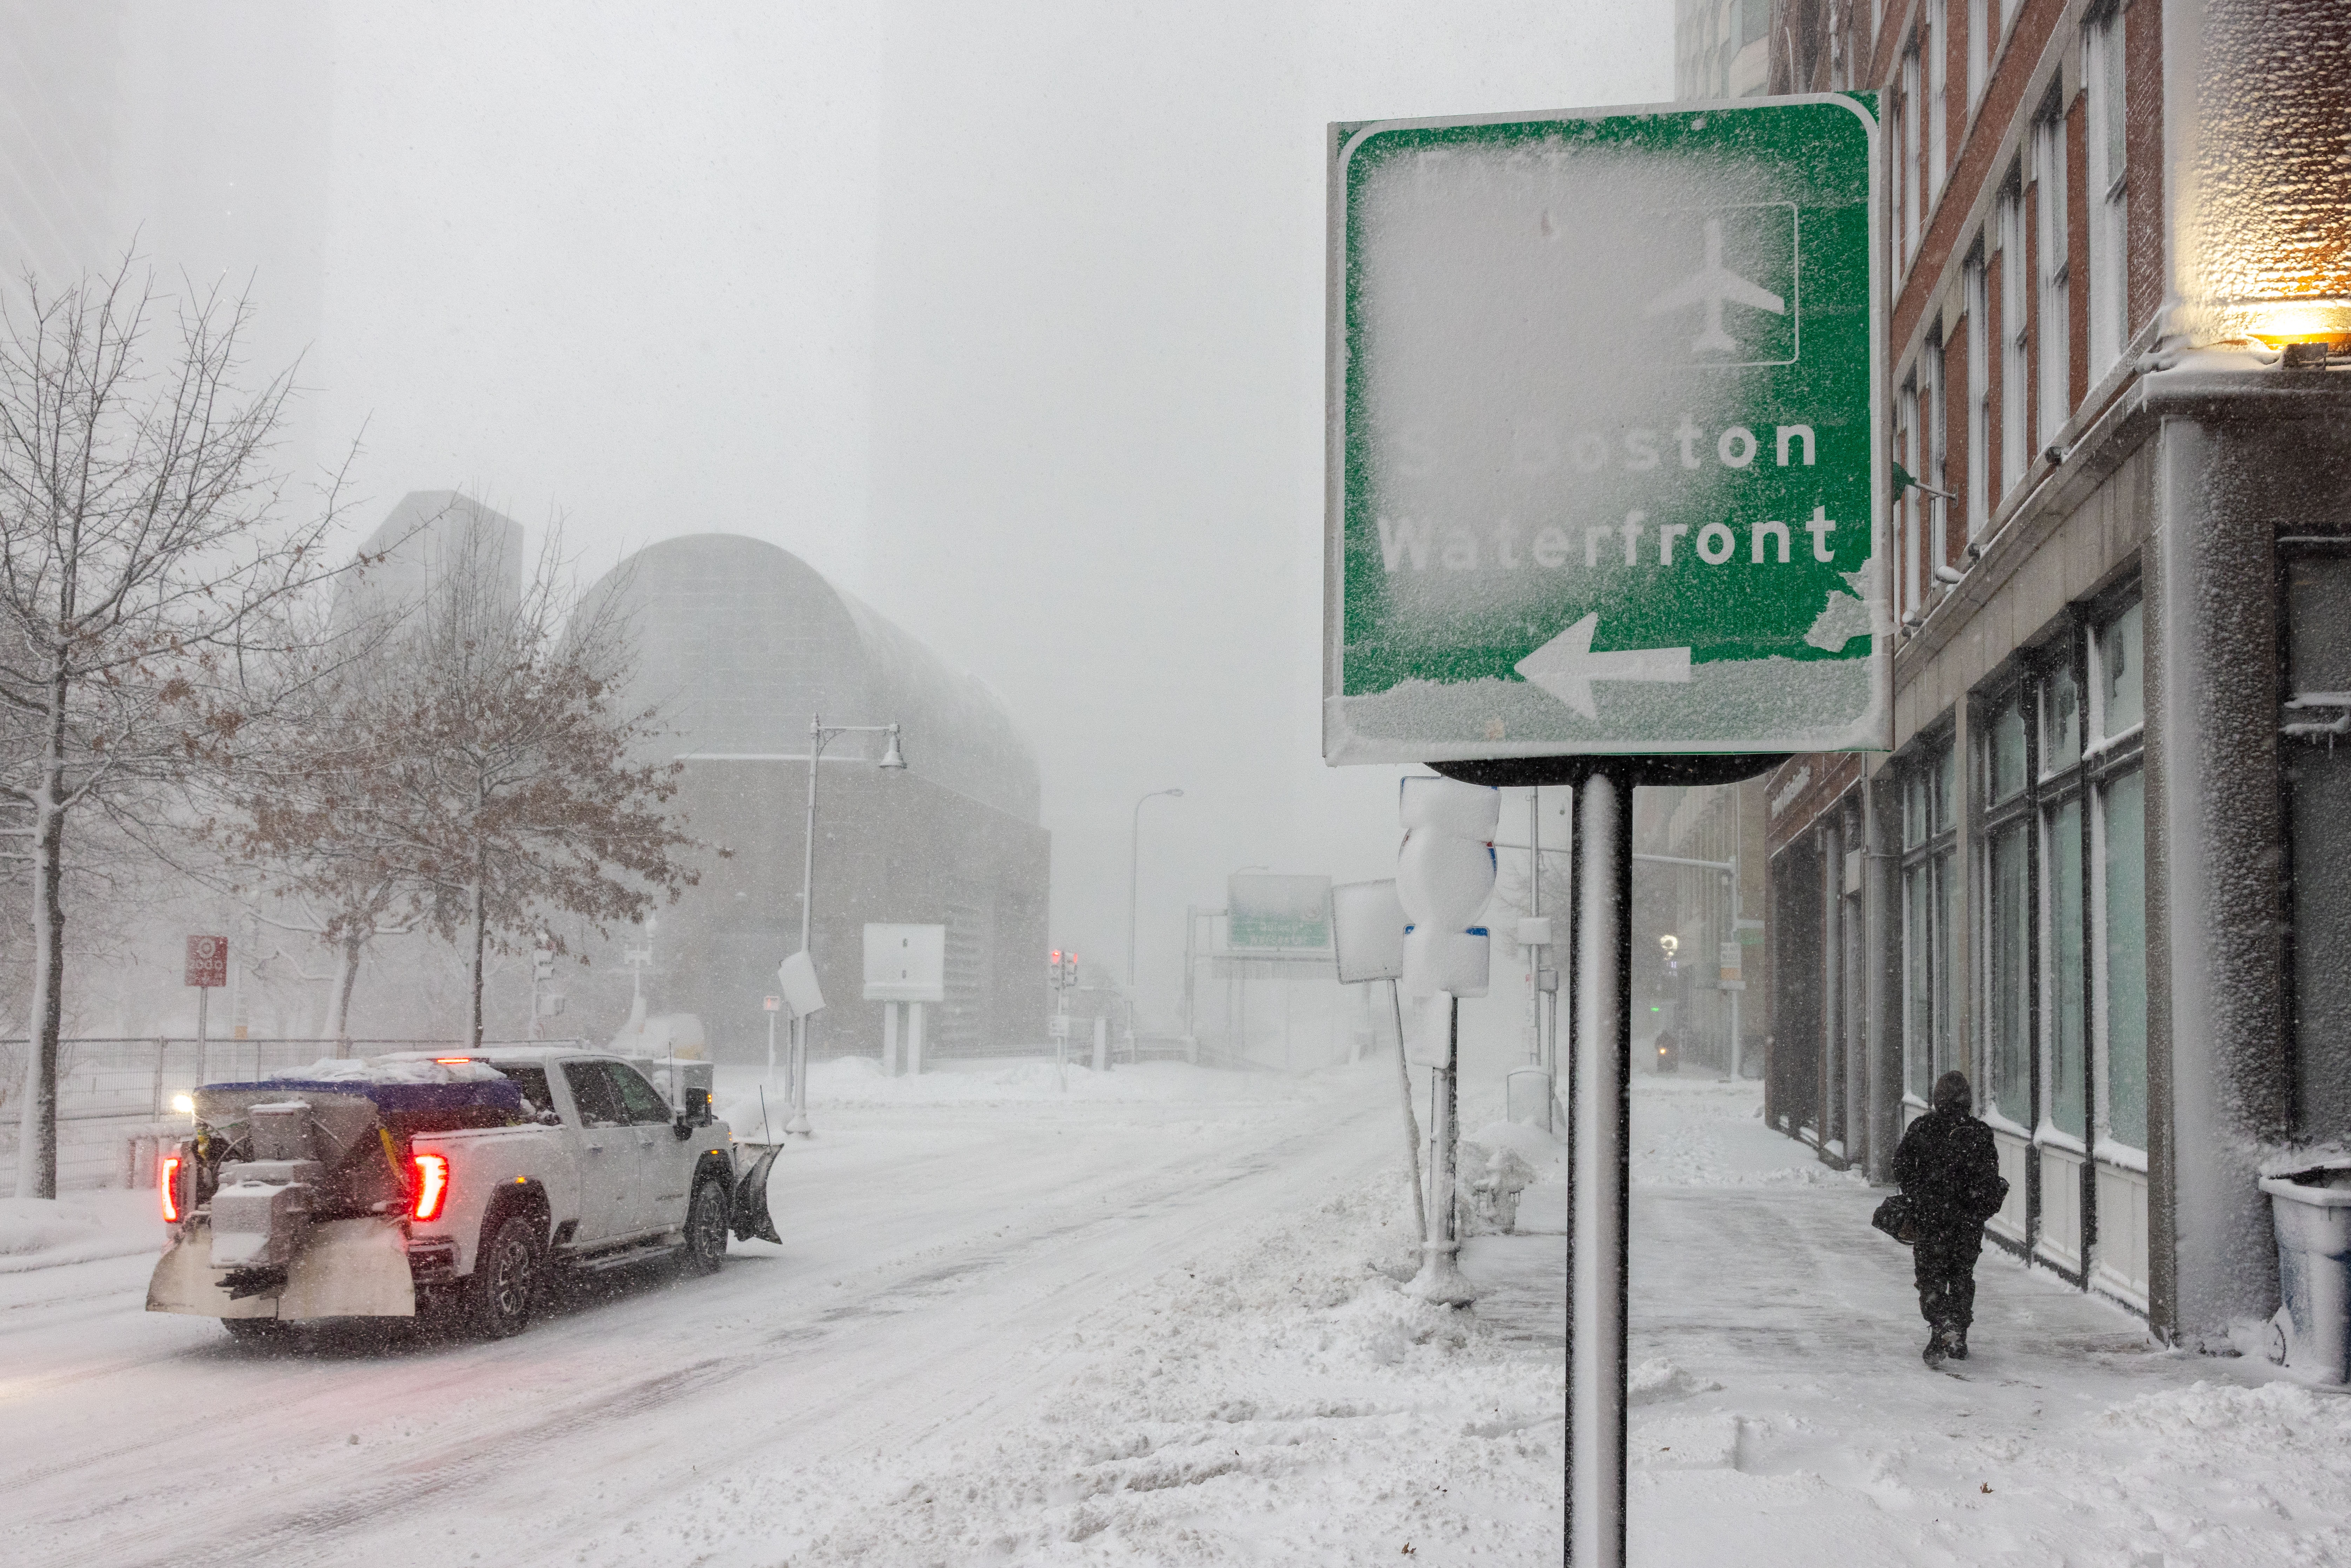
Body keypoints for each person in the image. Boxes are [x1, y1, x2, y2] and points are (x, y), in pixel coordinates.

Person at [1890, 1070, 2008, 1366]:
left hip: (1931, 1219)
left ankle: (1941, 1323)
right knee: (1961, 1276)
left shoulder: (1923, 1127)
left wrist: (1918, 1193)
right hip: (1967, 1221)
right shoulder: (1979, 1132)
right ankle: (1957, 1334)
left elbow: (1901, 1165)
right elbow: (1989, 1176)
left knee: (1930, 1276)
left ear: (1937, 1098)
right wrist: (1973, 1203)